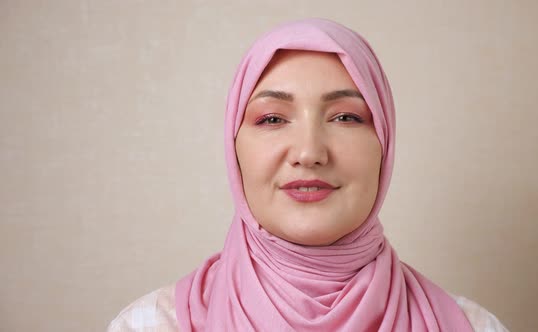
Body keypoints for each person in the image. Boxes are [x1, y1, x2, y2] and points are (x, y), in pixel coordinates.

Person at [108, 19, 508, 331]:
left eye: (347, 117)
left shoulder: (473, 327)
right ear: (235, 151)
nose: (309, 152)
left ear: (385, 145)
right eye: (272, 118)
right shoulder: (150, 325)